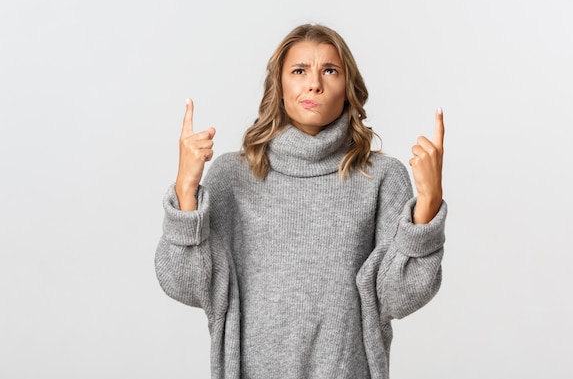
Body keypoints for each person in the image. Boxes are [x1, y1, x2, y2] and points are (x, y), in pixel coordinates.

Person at [155, 24, 447, 379]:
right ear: (279, 87)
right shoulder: (231, 176)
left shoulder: (380, 177)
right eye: (299, 71)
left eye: (330, 70)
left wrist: (428, 205)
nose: (314, 84)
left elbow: (399, 297)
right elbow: (186, 283)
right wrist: (186, 190)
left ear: (348, 88)